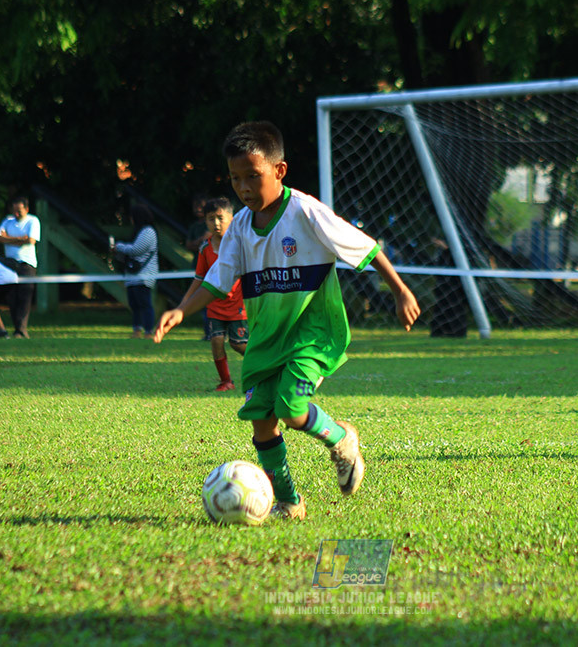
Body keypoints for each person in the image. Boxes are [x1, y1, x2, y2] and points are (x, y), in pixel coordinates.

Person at [154, 121, 420, 520]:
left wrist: (400, 290)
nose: (243, 188)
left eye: (252, 177)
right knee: (262, 423)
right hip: (266, 338)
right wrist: (181, 309)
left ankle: (342, 437)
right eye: (235, 179)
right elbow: (217, 280)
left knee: (292, 409)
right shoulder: (241, 226)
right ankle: (289, 503)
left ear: (279, 171)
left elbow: (365, 247)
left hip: (311, 333)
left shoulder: (306, 212)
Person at [178, 196, 248, 391]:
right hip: (214, 304)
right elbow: (200, 277)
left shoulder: (240, 244)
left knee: (238, 344)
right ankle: (226, 381)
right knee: (216, 341)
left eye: (220, 218)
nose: (216, 223)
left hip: (238, 304)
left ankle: (265, 370)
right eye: (211, 218)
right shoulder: (205, 247)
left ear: (231, 219)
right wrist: (185, 303)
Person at [110, 203, 158, 338]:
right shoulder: (138, 231)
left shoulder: (148, 231)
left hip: (144, 276)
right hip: (132, 276)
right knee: (135, 305)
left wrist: (118, 246)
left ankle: (148, 331)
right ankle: (137, 330)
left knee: (145, 304)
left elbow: (136, 249)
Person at [0, 196, 40, 338]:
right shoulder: (7, 221)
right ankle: (17, 328)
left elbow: (31, 240)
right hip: (9, 264)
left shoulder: (33, 221)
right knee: (11, 296)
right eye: (14, 210)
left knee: (24, 296)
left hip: (27, 264)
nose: (16, 214)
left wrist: (8, 239)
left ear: (26, 209)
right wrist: (20, 239)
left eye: (19, 211)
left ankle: (21, 329)